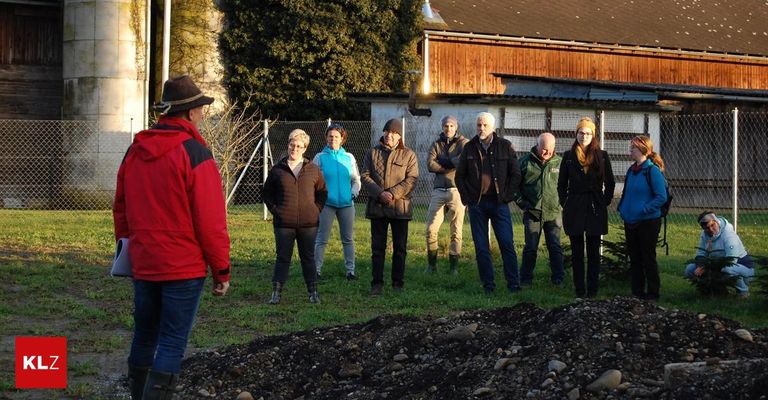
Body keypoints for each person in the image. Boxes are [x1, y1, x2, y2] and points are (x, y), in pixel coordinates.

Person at [113, 75, 231, 399]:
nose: (204, 115)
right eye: (201, 109)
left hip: (145, 261)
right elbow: (211, 222)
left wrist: (126, 247)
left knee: (144, 335)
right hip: (183, 267)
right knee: (171, 342)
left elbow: (120, 206)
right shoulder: (195, 153)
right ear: (191, 113)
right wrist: (221, 270)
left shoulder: (134, 151)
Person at [455, 112, 522, 294]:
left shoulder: (505, 146)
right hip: (477, 205)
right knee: (481, 247)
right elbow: (459, 176)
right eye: (478, 125)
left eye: (485, 125)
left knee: (507, 244)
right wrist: (467, 199)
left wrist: (507, 196)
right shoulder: (469, 147)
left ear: (493, 127)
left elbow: (515, 174)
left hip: (499, 203)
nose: (481, 128)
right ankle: (488, 286)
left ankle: (514, 285)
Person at [263, 129, 328, 304]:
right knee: (283, 257)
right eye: (292, 145)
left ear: (305, 148)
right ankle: (276, 293)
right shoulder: (278, 170)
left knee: (308, 258)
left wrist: (316, 210)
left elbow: (322, 192)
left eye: (299, 146)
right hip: (284, 224)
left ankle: (313, 292)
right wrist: (277, 211)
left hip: (309, 223)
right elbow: (267, 194)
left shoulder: (313, 169)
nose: (295, 148)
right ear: (288, 145)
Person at [557, 117, 615, 298]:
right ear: (576, 134)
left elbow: (610, 182)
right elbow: (561, 184)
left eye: (588, 133)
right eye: (581, 132)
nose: (584, 136)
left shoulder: (602, 156)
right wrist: (565, 202)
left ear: (593, 135)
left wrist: (604, 201)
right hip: (574, 205)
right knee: (576, 251)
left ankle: (592, 290)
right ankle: (579, 290)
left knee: (593, 250)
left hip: (594, 206)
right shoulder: (568, 156)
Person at [361, 118, 419, 295]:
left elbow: (412, 179)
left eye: (394, 133)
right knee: (377, 249)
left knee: (400, 249)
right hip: (377, 208)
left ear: (399, 136)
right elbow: (364, 175)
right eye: (387, 132)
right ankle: (376, 284)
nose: (389, 136)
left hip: (399, 209)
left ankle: (397, 284)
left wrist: (392, 194)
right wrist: (380, 193)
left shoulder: (409, 155)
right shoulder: (372, 153)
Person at [618, 135, 668, 302]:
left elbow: (661, 197)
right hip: (631, 221)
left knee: (648, 258)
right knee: (635, 258)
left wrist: (645, 209)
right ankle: (637, 292)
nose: (630, 150)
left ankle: (653, 293)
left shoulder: (652, 170)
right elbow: (628, 193)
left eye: (633, 147)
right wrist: (623, 209)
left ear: (643, 149)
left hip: (648, 222)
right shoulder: (632, 170)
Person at [312, 123, 361, 281]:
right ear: (326, 138)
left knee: (347, 239)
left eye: (336, 137)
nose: (333, 139)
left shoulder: (349, 158)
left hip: (347, 205)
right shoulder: (320, 157)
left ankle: (350, 271)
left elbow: (356, 180)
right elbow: (312, 181)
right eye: (330, 136)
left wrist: (353, 194)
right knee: (321, 238)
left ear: (342, 139)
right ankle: (316, 271)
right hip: (327, 205)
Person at [515, 132, 564, 287]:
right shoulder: (524, 163)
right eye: (543, 149)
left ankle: (558, 279)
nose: (546, 153)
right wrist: (524, 204)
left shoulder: (560, 163)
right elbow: (514, 187)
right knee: (530, 248)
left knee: (555, 247)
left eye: (550, 150)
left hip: (553, 212)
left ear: (554, 148)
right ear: (537, 146)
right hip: (532, 213)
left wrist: (562, 203)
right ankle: (525, 280)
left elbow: (567, 187)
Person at [425, 115, 468, 274]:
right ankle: (431, 266)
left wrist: (443, 161)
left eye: (451, 126)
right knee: (430, 228)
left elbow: (463, 161)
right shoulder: (436, 143)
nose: (448, 129)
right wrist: (448, 166)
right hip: (438, 190)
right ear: (442, 127)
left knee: (456, 230)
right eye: (445, 126)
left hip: (456, 190)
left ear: (456, 127)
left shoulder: (464, 143)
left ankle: (454, 267)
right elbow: (430, 164)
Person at [685, 211, 755, 297]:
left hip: (743, 268)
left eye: (712, 225)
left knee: (727, 270)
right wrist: (701, 266)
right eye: (706, 228)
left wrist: (707, 267)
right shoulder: (704, 235)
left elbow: (730, 261)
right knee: (690, 269)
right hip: (718, 266)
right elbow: (701, 252)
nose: (710, 229)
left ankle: (743, 292)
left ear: (717, 221)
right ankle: (715, 291)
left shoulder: (729, 236)